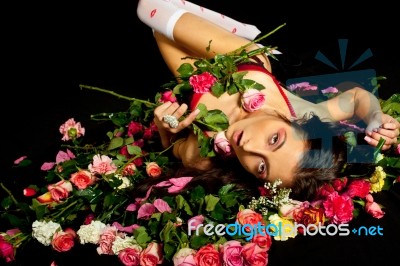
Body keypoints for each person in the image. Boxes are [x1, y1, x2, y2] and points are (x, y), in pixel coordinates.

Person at [136, 0, 400, 199]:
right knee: (149, 7)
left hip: (198, 75)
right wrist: (375, 118)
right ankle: (245, 36)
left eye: (262, 167)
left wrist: (165, 127)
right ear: (296, 122)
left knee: (158, 26)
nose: (249, 147)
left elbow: (171, 147)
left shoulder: (202, 155)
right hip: (247, 58)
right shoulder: (299, 110)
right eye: (275, 139)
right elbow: (355, 99)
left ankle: (237, 31)